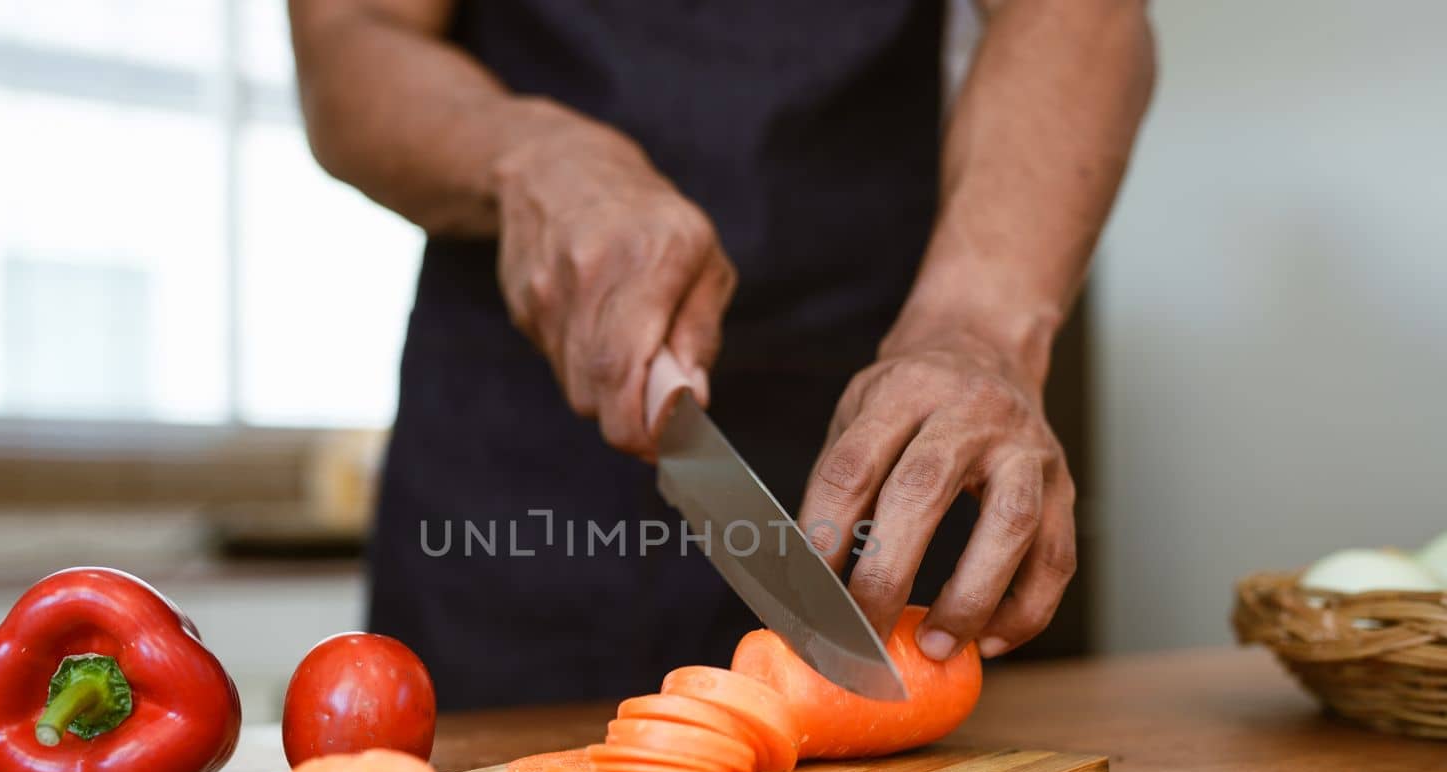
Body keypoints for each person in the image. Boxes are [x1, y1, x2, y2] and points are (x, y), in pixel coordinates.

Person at [288, 0, 1155, 708]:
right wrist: (532, 160)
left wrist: (980, 327)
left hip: (884, 431)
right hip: (519, 444)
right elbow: (353, 31)